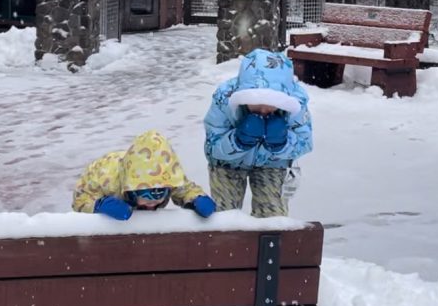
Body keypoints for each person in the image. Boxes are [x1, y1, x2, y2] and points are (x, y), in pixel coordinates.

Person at [204, 48, 312, 217]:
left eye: (271, 103)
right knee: (223, 217)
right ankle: (228, 242)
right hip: (228, 163)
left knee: (272, 217)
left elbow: (305, 142)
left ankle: (267, 241)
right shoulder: (225, 98)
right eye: (255, 102)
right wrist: (237, 141)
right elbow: (212, 146)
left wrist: (282, 143)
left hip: (272, 163)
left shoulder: (295, 104)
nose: (263, 109)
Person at [72, 129, 216, 220]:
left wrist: (196, 199)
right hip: (106, 178)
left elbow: (185, 189)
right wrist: (98, 205)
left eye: (159, 197)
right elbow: (80, 199)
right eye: (147, 199)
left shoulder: (168, 177)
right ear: (133, 191)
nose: (152, 204)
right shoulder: (105, 177)